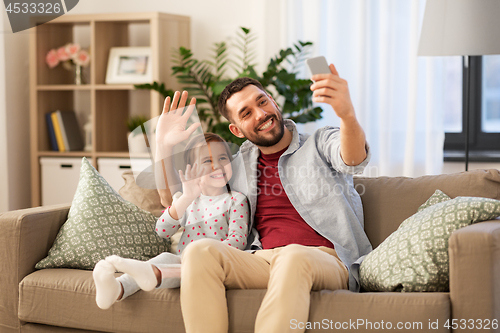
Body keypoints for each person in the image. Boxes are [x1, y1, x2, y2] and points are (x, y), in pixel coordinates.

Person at [155, 63, 372, 333]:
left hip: (326, 259)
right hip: (261, 259)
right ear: (236, 130)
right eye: (246, 113)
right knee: (199, 251)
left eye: (262, 102)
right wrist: (163, 146)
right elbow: (174, 199)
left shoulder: (319, 142)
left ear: (273, 102)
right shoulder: (234, 167)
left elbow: (352, 160)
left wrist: (347, 114)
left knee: (293, 256)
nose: (261, 114)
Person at [92, 132, 249, 310]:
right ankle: (117, 288)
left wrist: (208, 254)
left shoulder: (236, 200)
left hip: (217, 264)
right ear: (192, 169)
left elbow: (238, 240)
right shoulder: (187, 200)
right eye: (207, 161)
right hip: (183, 260)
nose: (217, 165)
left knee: (182, 266)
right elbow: (162, 230)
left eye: (223, 158)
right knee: (166, 257)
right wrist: (185, 199)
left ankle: (152, 275)